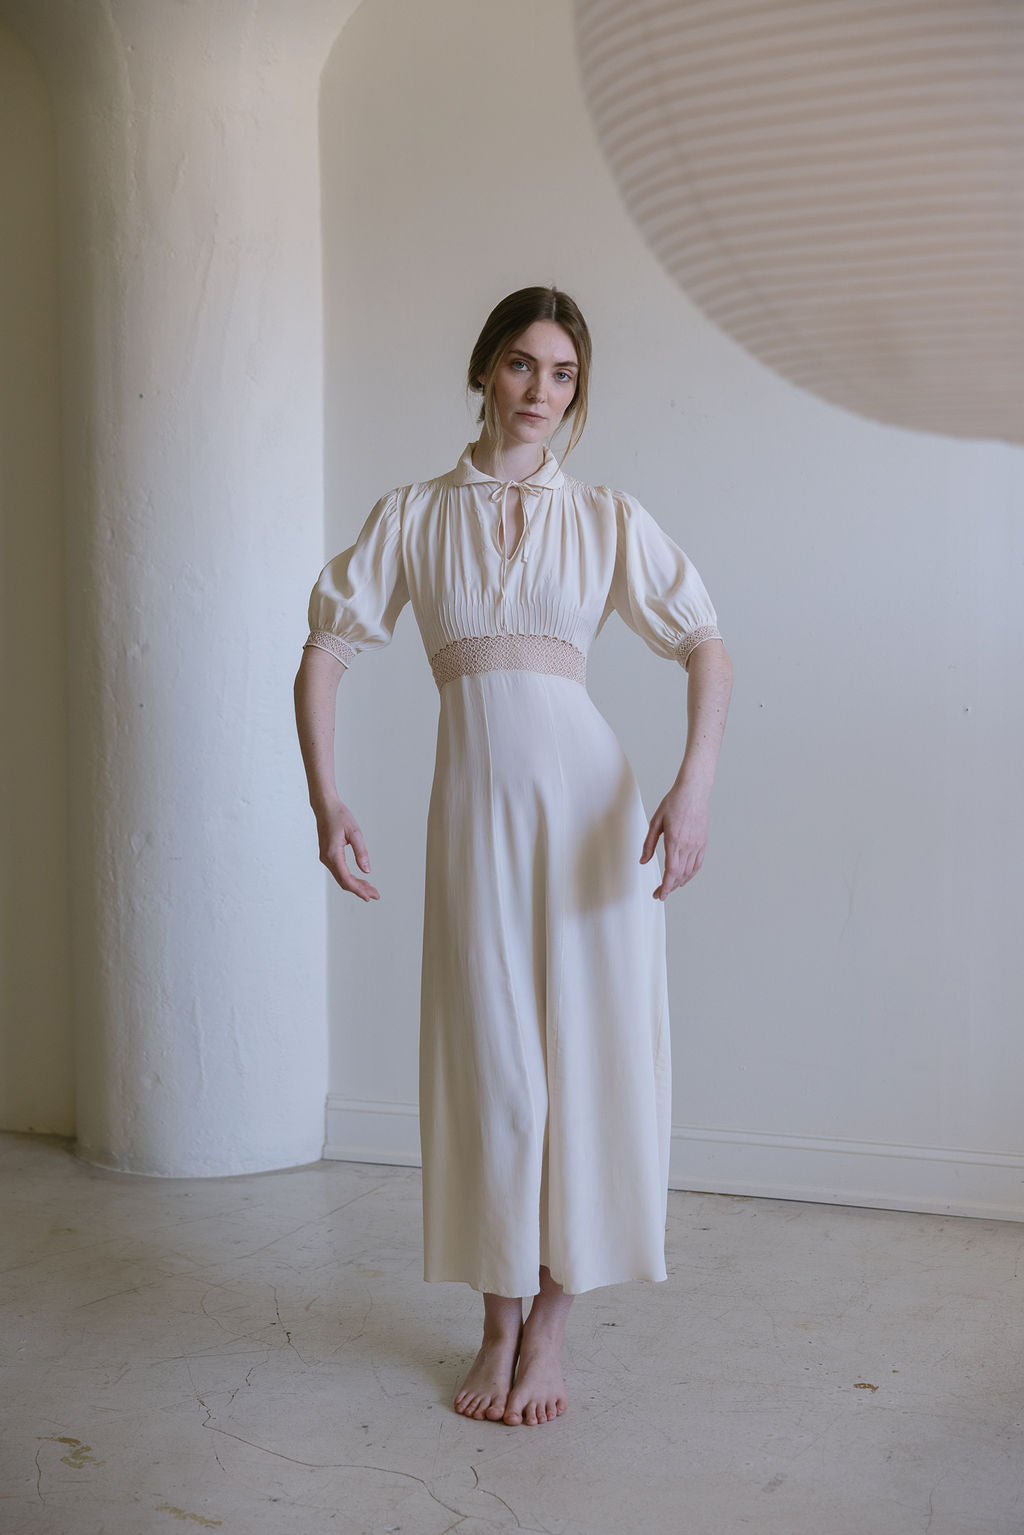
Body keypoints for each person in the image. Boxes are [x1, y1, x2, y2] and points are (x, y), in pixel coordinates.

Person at [293, 286, 733, 1428]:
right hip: (475, 819)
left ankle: (551, 1326)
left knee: (587, 1059)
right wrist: (326, 798)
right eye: (524, 365)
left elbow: (705, 643)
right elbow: (325, 651)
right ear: (485, 369)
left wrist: (691, 788)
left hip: (594, 817)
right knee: (492, 1064)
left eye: (565, 374)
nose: (543, 391)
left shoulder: (606, 516)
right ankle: (496, 1317)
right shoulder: (413, 514)